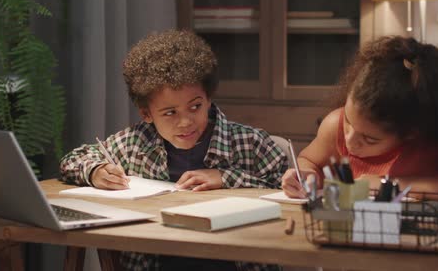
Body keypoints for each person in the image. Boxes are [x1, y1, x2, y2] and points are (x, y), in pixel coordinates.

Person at [60, 29, 286, 271]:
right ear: (146, 114)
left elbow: (291, 196)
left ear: (208, 98)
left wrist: (226, 177)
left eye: (195, 106)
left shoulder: (250, 143)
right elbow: (74, 159)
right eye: (170, 113)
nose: (186, 122)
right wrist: (96, 170)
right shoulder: (134, 143)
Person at [282, 36, 438, 204]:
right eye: (349, 123)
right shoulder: (335, 124)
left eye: (370, 139)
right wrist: (305, 175)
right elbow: (309, 161)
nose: (351, 142)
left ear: (413, 131)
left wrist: (389, 185)